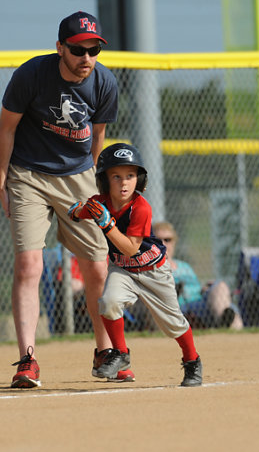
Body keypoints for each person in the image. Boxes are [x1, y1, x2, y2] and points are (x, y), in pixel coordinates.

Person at [0, 11, 133, 388]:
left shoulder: (104, 82)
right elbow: (6, 128)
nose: (87, 57)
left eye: (94, 50)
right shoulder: (31, 75)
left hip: (78, 177)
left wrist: (95, 186)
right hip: (28, 174)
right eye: (78, 49)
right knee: (29, 266)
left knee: (97, 269)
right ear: (60, 48)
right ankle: (27, 360)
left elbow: (97, 137)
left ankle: (107, 353)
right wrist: (2, 179)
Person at [67, 143, 203, 386]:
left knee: (172, 324)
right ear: (105, 180)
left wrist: (107, 225)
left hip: (153, 271)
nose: (124, 183)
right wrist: (77, 211)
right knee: (108, 302)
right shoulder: (102, 203)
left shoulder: (141, 208)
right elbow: (79, 212)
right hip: (123, 270)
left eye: (130, 176)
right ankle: (121, 354)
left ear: (139, 180)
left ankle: (192, 361)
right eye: (116, 176)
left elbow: (130, 248)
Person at [146, 221, 243, 330]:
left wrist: (205, 289)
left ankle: (225, 323)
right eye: (159, 240)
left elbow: (197, 289)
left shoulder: (185, 267)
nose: (163, 244)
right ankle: (224, 326)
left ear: (174, 242)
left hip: (200, 303)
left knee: (220, 286)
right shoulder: (149, 267)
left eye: (168, 240)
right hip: (177, 308)